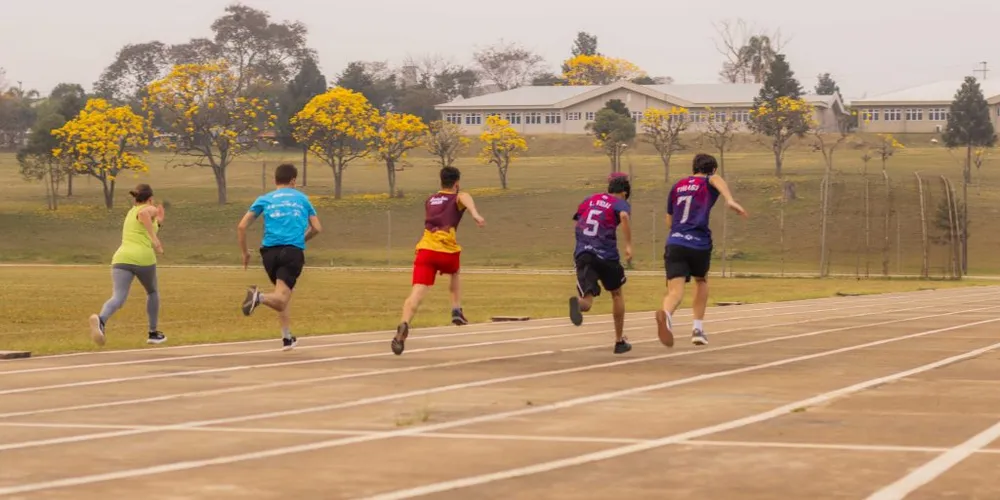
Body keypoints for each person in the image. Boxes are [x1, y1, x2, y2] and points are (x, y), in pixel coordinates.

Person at [392, 166, 485, 356]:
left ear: (441, 181)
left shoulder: (430, 200)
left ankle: (404, 323)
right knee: (454, 272)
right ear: (456, 183)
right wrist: (474, 213)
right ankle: (456, 309)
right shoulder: (457, 196)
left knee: (417, 292)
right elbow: (463, 197)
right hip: (446, 250)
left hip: (425, 250)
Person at [656, 153, 747, 348]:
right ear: (713, 169)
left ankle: (667, 315)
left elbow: (669, 221)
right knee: (701, 280)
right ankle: (697, 329)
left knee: (675, 292)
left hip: (675, 241)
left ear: (693, 168)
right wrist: (729, 200)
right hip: (698, 242)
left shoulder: (677, 186)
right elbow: (715, 179)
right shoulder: (709, 180)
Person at [238, 163, 322, 351]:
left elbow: (242, 226)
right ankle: (258, 297)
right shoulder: (302, 199)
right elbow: (317, 228)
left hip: (269, 254)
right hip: (291, 251)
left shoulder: (265, 199)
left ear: (275, 180)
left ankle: (286, 337)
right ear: (293, 180)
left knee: (281, 293)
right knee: (281, 298)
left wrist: (245, 253)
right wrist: (302, 238)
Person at [88, 184, 166, 346]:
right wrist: (155, 240)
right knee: (152, 292)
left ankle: (101, 321)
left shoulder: (131, 212)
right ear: (150, 199)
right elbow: (144, 214)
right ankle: (153, 333)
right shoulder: (147, 208)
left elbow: (145, 223)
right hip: (143, 258)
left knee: (118, 297)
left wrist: (159, 221)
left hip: (121, 258)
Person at [568, 173, 634, 354]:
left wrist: (581, 245)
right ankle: (619, 342)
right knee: (617, 294)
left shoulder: (589, 199)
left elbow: (578, 221)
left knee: (587, 302)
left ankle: (577, 304)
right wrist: (628, 245)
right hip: (606, 255)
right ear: (624, 193)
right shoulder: (619, 203)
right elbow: (624, 216)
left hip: (584, 253)